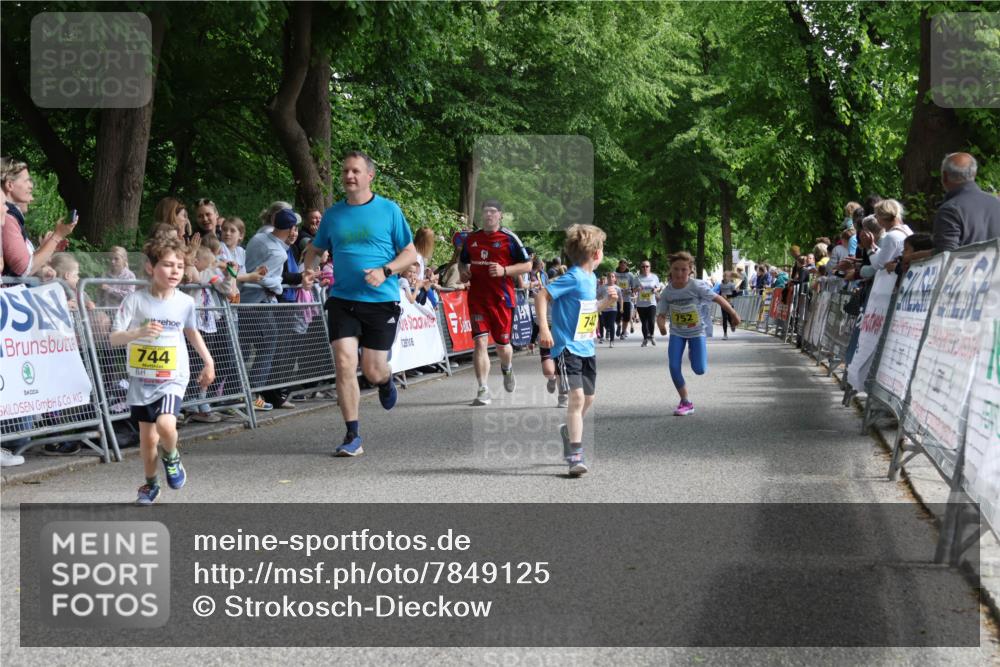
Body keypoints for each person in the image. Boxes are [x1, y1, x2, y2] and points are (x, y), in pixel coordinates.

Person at [301, 150, 417, 457]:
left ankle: (385, 379)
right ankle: (352, 434)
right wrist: (308, 270)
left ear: (369, 176)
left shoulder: (389, 210)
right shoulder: (334, 215)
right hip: (342, 300)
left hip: (381, 301)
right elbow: (314, 249)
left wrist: (386, 271)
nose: (349, 176)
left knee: (372, 369)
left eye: (355, 171)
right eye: (345, 172)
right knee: (343, 364)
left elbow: (410, 253)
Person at [109, 236, 215, 505]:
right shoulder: (134, 301)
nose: (175, 271)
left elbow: (192, 332)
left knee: (166, 424)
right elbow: (114, 338)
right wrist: (138, 332)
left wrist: (208, 361)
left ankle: (172, 456)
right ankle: (150, 484)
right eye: (168, 265)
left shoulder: (184, 302)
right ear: (150, 267)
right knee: (147, 440)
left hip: (173, 376)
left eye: (179, 266)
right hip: (141, 377)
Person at [535, 224, 618, 477]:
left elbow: (587, 309)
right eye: (602, 248)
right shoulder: (572, 276)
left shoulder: (591, 278)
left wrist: (606, 303)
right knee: (577, 398)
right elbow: (541, 295)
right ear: (596, 253)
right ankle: (575, 455)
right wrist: (544, 329)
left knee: (589, 399)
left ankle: (569, 430)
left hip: (586, 347)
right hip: (567, 347)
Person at [458, 199, 532, 406]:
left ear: (500, 215)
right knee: (480, 341)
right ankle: (483, 389)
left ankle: (507, 368)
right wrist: (463, 273)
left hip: (501, 299)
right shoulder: (472, 239)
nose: (489, 215)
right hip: (477, 299)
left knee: (503, 346)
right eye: (486, 211)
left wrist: (505, 271)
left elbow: (527, 266)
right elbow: (462, 261)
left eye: (493, 212)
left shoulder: (509, 238)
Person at [240, 207, 311, 410]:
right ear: (291, 228)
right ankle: (253, 394)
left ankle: (237, 394)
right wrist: (278, 285)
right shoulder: (278, 252)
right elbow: (267, 279)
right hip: (260, 303)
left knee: (243, 350)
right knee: (269, 345)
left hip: (244, 301)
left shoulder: (258, 238)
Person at [656, 251, 741, 416]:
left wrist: (733, 314)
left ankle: (693, 352)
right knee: (674, 366)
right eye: (676, 269)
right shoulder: (667, 292)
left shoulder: (697, 286)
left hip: (696, 332)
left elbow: (718, 298)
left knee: (700, 369)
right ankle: (685, 402)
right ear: (671, 271)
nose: (680, 273)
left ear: (690, 270)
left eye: (683, 269)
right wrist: (661, 327)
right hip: (677, 333)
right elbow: (661, 315)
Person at [1, 157, 78, 278]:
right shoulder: (8, 219)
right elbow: (25, 269)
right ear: (10, 185)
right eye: (27, 181)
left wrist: (47, 248)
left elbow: (26, 265)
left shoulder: (12, 218)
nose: (31, 186)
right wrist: (57, 236)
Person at [932, 153, 1000, 252]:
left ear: (945, 176)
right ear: (974, 174)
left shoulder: (950, 210)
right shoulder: (996, 203)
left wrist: (916, 257)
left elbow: (946, 256)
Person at [861, 199, 912, 278]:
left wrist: (869, 248)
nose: (876, 220)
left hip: (893, 281)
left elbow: (879, 265)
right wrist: (873, 245)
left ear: (882, 217)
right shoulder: (906, 229)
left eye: (877, 216)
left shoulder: (891, 236)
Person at [634, 259, 661, 346]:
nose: (645, 268)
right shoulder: (637, 278)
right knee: (644, 322)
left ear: (650, 267)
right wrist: (637, 289)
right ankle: (645, 338)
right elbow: (633, 289)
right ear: (641, 268)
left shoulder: (654, 277)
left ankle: (652, 336)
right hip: (641, 303)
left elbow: (658, 288)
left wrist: (655, 289)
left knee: (651, 321)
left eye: (647, 266)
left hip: (651, 302)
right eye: (643, 266)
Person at [613, 259, 637, 340]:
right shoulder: (614, 274)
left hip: (626, 299)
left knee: (626, 317)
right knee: (616, 317)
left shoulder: (630, 275)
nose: (623, 266)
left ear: (626, 266)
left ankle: (623, 332)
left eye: (624, 264)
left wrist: (630, 291)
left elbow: (633, 288)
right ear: (619, 265)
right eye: (621, 264)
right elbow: (611, 284)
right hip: (616, 299)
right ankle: (619, 325)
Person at [597, 272, 620, 347]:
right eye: (609, 277)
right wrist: (600, 301)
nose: (610, 278)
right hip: (604, 308)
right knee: (604, 324)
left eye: (612, 277)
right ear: (607, 278)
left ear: (615, 279)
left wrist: (622, 307)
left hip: (613, 309)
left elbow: (620, 298)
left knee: (611, 323)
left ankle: (612, 340)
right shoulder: (602, 287)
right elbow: (597, 296)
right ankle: (608, 329)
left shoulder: (617, 288)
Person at [719, 271, 737, 340]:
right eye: (724, 276)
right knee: (724, 318)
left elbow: (735, 294)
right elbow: (720, 293)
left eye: (727, 276)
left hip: (730, 303)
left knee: (729, 317)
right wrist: (721, 297)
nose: (726, 278)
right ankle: (725, 334)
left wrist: (728, 296)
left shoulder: (732, 285)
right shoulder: (721, 285)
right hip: (723, 303)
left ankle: (732, 325)